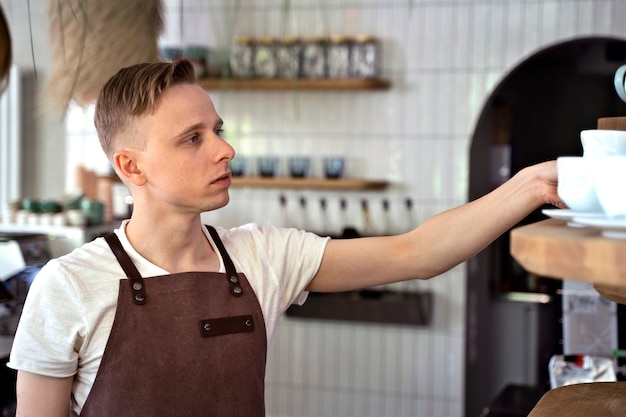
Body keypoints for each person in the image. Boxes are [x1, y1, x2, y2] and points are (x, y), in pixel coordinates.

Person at [8, 59, 565, 417]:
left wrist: (530, 186)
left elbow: (414, 253)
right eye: (192, 138)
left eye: (218, 130)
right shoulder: (69, 285)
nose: (224, 150)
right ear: (132, 167)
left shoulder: (260, 254)